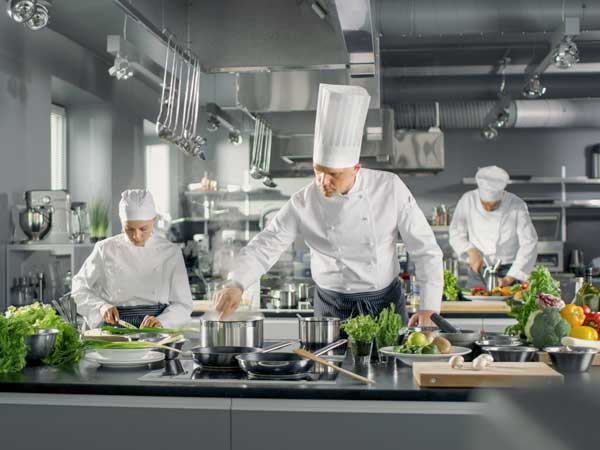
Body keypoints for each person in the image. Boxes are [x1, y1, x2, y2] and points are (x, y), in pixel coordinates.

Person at [213, 83, 443, 326]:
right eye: (318, 171)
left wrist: (430, 307)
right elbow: (266, 245)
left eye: (333, 174)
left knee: (389, 364)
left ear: (355, 169)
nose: (323, 181)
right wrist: (236, 283)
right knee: (326, 365)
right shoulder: (303, 202)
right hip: (331, 307)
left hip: (384, 304)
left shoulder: (389, 188)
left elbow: (425, 248)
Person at [72, 190, 192, 329]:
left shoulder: (171, 252)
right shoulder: (105, 249)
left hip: (155, 332)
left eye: (143, 229)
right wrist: (101, 306)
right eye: (129, 229)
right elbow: (78, 289)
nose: (136, 235)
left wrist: (163, 321)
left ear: (153, 221)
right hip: (114, 330)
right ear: (122, 222)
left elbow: (183, 305)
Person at [449, 166, 538, 289]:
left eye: (494, 204)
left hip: (508, 271)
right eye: (484, 204)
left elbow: (529, 242)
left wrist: (509, 278)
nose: (489, 208)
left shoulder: (517, 205)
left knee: (508, 308)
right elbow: (455, 233)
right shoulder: (468, 200)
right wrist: (471, 251)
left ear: (502, 194)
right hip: (478, 271)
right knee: (475, 307)